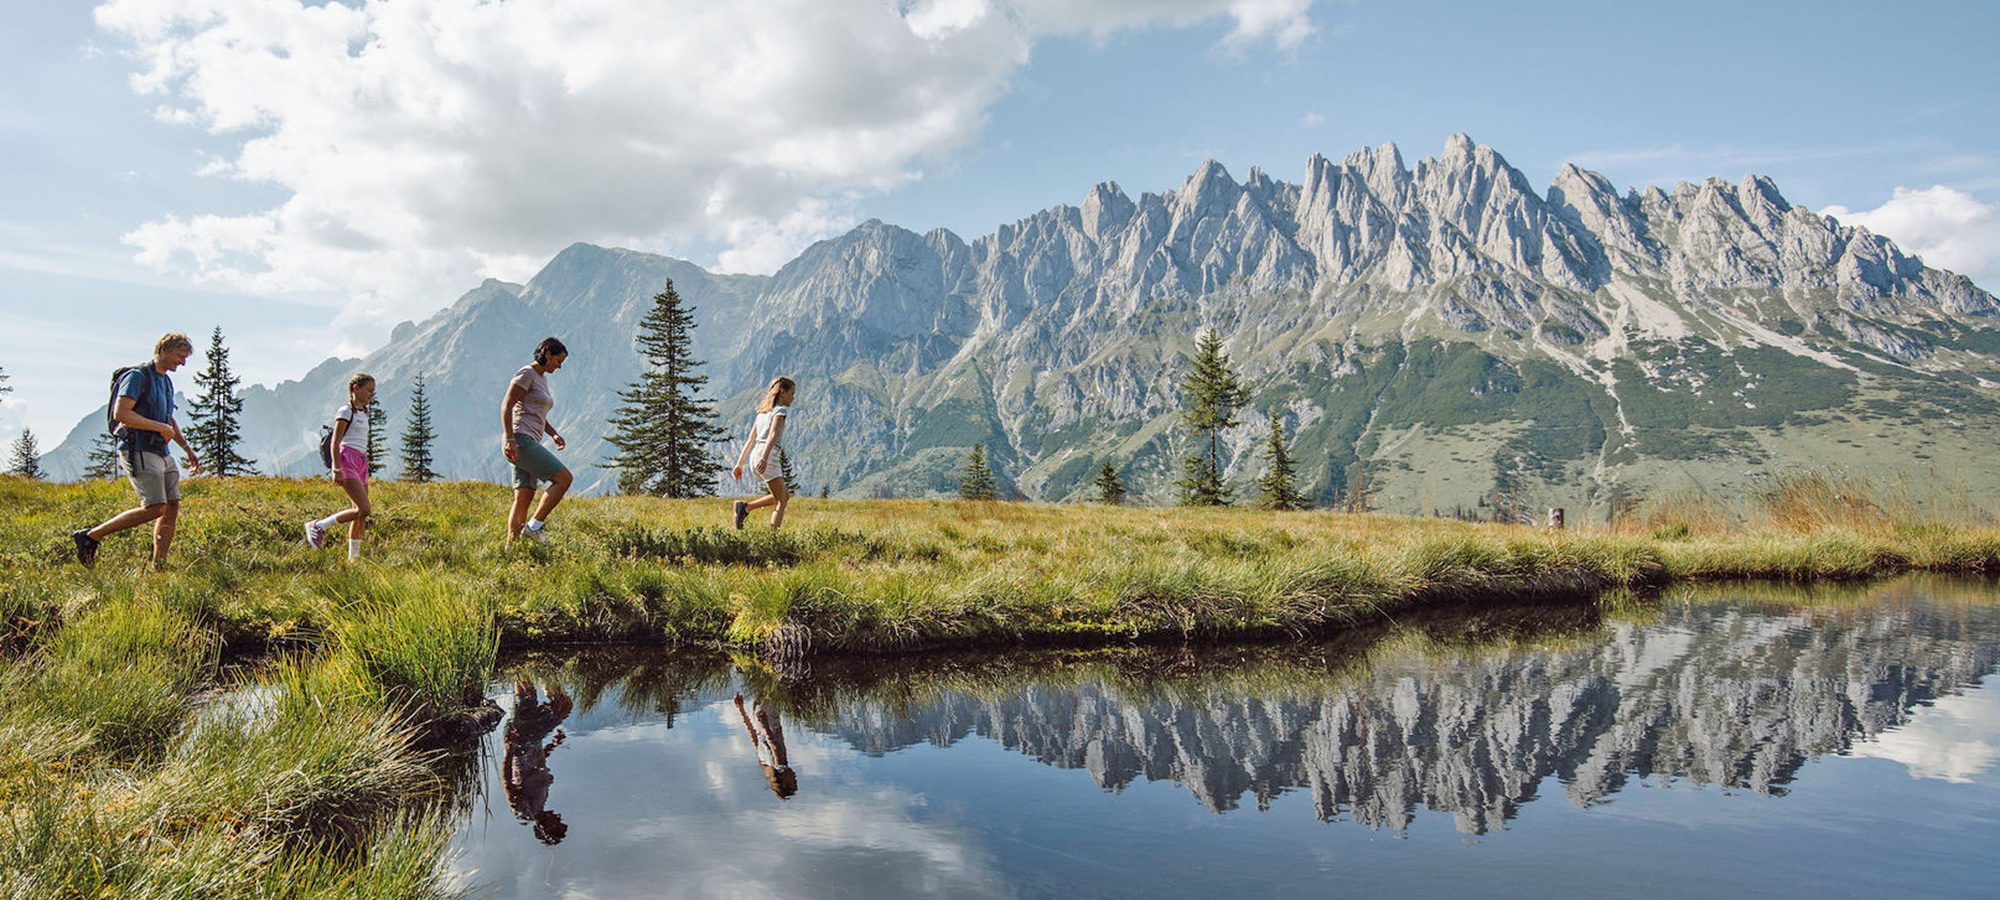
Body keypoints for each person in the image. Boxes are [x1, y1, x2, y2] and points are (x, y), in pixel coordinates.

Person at [71, 332, 203, 568]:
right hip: (138, 448)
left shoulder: (166, 381)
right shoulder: (137, 376)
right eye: (179, 356)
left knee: (172, 505)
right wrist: (159, 427)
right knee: (154, 508)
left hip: (162, 451)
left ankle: (159, 564)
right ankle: (91, 536)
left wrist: (187, 449)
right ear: (163, 351)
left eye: (185, 358)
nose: (182, 362)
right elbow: (121, 413)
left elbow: (169, 419)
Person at [502, 337, 572, 545]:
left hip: (527, 439)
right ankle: (534, 527)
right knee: (564, 479)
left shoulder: (541, 378)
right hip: (520, 440)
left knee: (523, 497)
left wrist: (553, 433)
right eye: (558, 361)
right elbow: (507, 406)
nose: (559, 367)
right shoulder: (527, 373)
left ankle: (511, 550)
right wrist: (510, 439)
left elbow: (536, 413)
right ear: (548, 354)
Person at [305, 373, 376, 561]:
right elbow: (335, 442)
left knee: (360, 514)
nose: (372, 394)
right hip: (346, 460)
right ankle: (318, 525)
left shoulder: (364, 412)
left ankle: (354, 560)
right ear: (356, 389)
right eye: (369, 390)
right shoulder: (345, 412)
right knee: (364, 508)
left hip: (361, 461)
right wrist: (337, 469)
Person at [502, 679, 573, 845]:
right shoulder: (539, 803)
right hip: (528, 741)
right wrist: (552, 746)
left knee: (562, 708)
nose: (559, 817)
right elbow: (536, 765)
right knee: (527, 697)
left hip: (521, 742)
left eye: (558, 823)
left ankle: (547, 677)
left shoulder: (526, 811)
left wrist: (510, 749)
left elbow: (507, 783)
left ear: (547, 827)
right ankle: (532, 671)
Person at [730, 376, 794, 530]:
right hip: (768, 455)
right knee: (781, 501)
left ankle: (745, 508)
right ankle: (773, 539)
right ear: (782, 392)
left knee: (784, 495)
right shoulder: (781, 410)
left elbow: (751, 440)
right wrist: (765, 459)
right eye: (792, 393)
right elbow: (773, 434)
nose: (793, 397)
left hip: (755, 454)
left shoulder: (762, 414)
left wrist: (739, 464)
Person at [734, 692, 797, 799]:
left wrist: (766, 726)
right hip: (758, 716)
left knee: (770, 683)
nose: (795, 777)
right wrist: (741, 709)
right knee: (760, 684)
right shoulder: (764, 763)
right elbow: (753, 736)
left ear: (785, 781)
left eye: (794, 781)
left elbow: (774, 745)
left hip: (769, 718)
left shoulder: (781, 765)